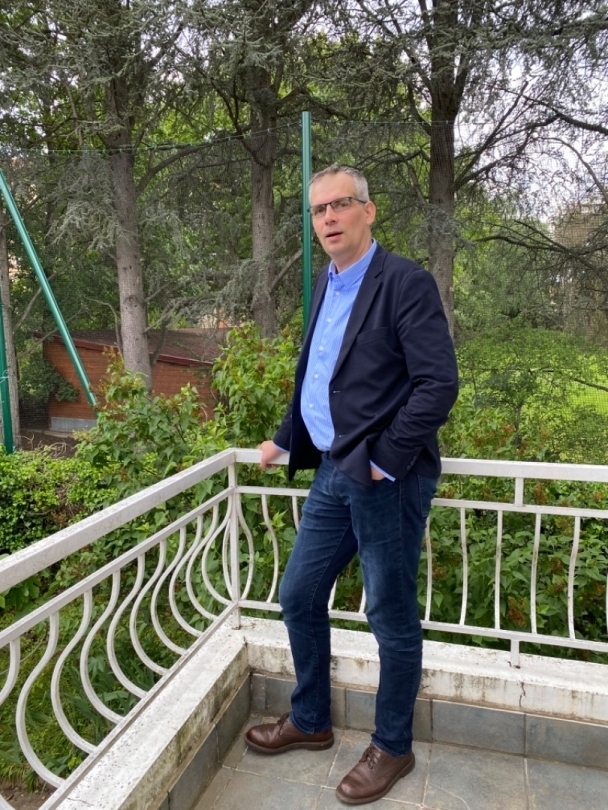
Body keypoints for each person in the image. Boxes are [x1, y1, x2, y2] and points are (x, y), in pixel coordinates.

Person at [244, 165, 458, 804]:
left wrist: (384, 460)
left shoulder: (404, 282)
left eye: (340, 205)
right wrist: (285, 438)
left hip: (385, 478)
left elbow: (437, 385)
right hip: (334, 469)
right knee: (298, 593)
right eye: (318, 210)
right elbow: (318, 375)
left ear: (369, 211)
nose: (329, 218)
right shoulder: (326, 282)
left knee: (389, 613)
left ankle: (392, 746)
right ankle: (311, 719)